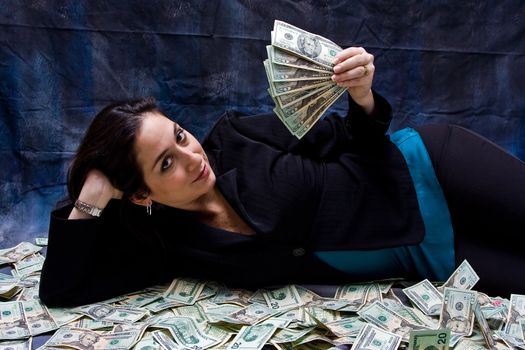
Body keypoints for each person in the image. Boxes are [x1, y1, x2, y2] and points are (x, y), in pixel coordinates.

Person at [39, 47, 525, 308]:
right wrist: (93, 194)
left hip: (430, 170)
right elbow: (61, 291)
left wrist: (362, 95)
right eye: (166, 163)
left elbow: (351, 138)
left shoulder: (236, 137)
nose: (192, 157)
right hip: (428, 255)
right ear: (142, 192)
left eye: (181, 136)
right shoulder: (171, 246)